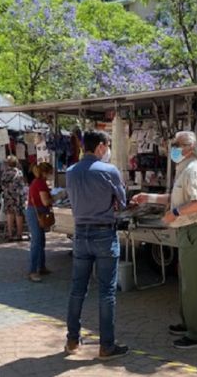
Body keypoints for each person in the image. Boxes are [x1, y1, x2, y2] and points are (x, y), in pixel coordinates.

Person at [132, 131, 197, 349]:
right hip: (189, 232)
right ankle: (187, 323)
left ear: (188, 147)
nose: (172, 149)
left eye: (176, 145)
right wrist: (148, 197)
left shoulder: (193, 170)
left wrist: (175, 213)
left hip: (196, 231)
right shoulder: (186, 169)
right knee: (186, 283)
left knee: (192, 286)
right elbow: (178, 197)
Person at [64, 130, 128, 360]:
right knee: (106, 292)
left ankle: (72, 340)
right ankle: (106, 346)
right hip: (104, 234)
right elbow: (122, 203)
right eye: (107, 145)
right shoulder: (109, 170)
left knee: (77, 289)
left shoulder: (71, 171)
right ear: (101, 146)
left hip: (80, 234)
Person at [25, 162, 53, 282]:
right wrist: (57, 197)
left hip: (35, 213)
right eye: (50, 172)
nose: (51, 175)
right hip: (36, 214)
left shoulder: (37, 182)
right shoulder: (40, 183)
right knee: (37, 242)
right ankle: (33, 271)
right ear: (45, 172)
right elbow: (45, 201)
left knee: (40, 240)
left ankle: (41, 267)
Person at [1, 156, 28, 242]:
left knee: (9, 214)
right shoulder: (19, 172)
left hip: (8, 196)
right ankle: (19, 234)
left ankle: (10, 234)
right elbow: (22, 185)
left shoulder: (5, 173)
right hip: (17, 196)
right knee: (18, 214)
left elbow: (2, 185)